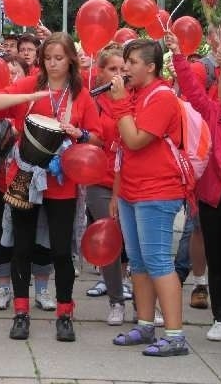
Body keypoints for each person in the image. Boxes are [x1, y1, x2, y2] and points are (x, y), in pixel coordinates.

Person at [0, 32, 101, 342]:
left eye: (59, 58)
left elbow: (100, 138)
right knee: (22, 247)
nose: (52, 63)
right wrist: (28, 98)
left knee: (61, 251)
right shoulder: (30, 85)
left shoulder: (81, 94)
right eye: (47, 58)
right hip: (25, 177)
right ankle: (21, 312)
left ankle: (65, 312)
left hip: (61, 182)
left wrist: (80, 133)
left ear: (70, 60)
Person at [108, 38, 187, 357]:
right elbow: (121, 148)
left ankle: (175, 334)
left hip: (157, 191)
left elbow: (136, 139)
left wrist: (119, 103)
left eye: (132, 62)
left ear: (151, 67)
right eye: (124, 61)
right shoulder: (135, 94)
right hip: (130, 189)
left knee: (158, 261)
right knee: (138, 262)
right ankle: (144, 324)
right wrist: (116, 193)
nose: (125, 68)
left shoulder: (162, 96)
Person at [165, 31, 221, 354]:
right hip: (212, 194)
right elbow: (193, 91)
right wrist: (179, 54)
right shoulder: (211, 109)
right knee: (213, 255)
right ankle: (218, 319)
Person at [83, 43, 129, 325]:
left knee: (137, 246)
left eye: (124, 69)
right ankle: (116, 301)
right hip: (101, 180)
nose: (119, 74)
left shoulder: (136, 97)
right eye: (113, 69)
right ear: (100, 73)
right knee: (109, 239)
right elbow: (92, 135)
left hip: (134, 180)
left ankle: (148, 304)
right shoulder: (94, 100)